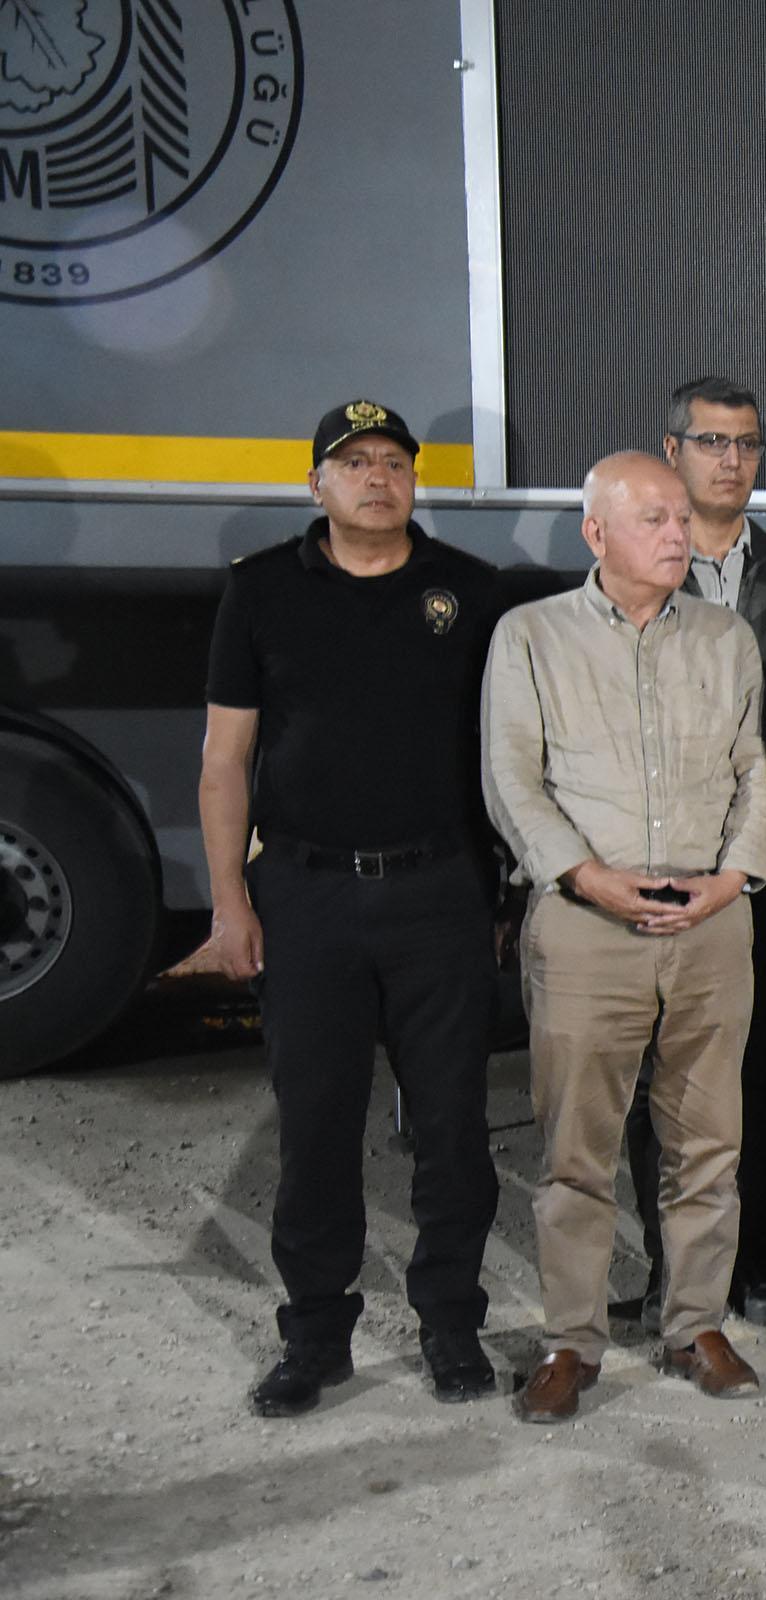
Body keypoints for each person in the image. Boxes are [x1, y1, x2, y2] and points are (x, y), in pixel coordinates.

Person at [191, 400, 502, 1417]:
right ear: (316, 483)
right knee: (317, 1126)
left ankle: (451, 1324)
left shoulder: (469, 590)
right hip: (308, 894)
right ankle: (316, 1336)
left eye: (395, 463)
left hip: (438, 892)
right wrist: (229, 902)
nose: (379, 477)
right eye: (355, 462)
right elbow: (225, 761)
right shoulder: (262, 591)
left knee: (452, 1127)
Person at [483, 451, 766, 1421]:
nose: (678, 533)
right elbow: (512, 776)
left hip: (710, 925)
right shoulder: (532, 635)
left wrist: (732, 879)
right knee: (578, 1149)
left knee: (708, 1142)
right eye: (653, 518)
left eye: (682, 517)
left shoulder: (727, 638)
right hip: (585, 925)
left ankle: (696, 1324)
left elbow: (753, 770)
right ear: (595, 532)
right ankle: (572, 1341)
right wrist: (588, 876)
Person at [617, 375, 766, 1333]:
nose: (733, 460)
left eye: (747, 444)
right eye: (712, 442)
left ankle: (757, 1261)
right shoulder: (633, 563)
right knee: (659, 1071)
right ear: (672, 451)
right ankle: (672, 1265)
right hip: (660, 856)